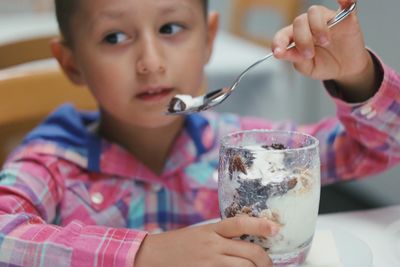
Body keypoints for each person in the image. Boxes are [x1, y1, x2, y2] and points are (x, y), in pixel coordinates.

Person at [0, 0, 399, 266]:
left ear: (209, 38)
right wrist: (146, 254)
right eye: (114, 37)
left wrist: (357, 75)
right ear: (71, 63)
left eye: (171, 28)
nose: (151, 63)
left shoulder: (241, 149)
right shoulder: (54, 162)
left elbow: (377, 148)